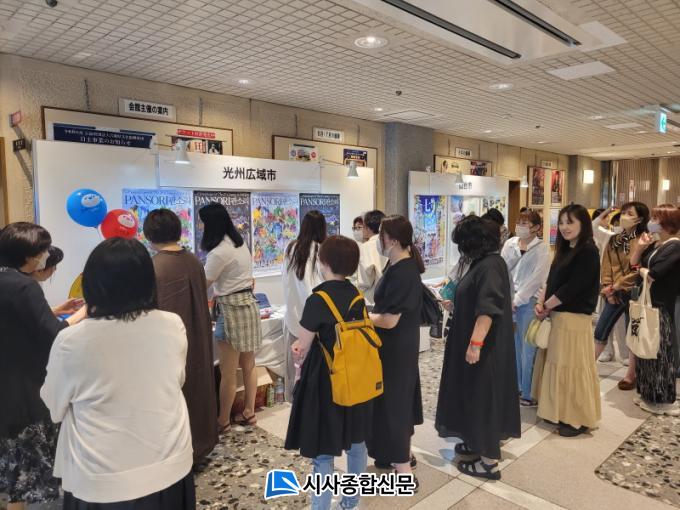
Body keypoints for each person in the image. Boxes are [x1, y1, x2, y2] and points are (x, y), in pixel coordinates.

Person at [40, 237, 194, 509]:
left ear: (92, 284)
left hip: (102, 477)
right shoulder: (172, 324)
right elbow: (176, 381)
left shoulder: (72, 341)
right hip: (170, 461)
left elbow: (54, 407)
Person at [0, 223, 85, 510]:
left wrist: (55, 310)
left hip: (6, 383)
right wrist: (84, 313)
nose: (46, 256)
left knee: (11, 466)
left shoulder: (6, 279)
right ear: (28, 256)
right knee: (25, 470)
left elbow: (14, 319)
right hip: (24, 387)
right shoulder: (25, 286)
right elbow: (54, 334)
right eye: (43, 250)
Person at [284, 235, 373, 510]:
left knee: (323, 450)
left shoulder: (318, 299)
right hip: (356, 378)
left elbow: (302, 345)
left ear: (323, 263)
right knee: (357, 444)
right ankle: (351, 502)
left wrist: (296, 350)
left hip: (325, 382)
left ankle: (320, 506)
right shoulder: (357, 296)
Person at [436, 216, 521, 480]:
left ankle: (488, 463)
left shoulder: (490, 266)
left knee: (483, 396)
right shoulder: (484, 263)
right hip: (477, 342)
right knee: (473, 393)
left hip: (484, 347)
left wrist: (475, 344)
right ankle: (475, 441)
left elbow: (488, 309)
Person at [143, 209, 218, 463]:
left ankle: (180, 451)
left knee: (175, 394)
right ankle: (202, 443)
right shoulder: (194, 261)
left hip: (167, 344)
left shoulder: (155, 266)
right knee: (199, 388)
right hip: (197, 338)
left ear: (149, 235)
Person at [533, 204, 601, 437]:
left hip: (574, 320)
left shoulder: (588, 251)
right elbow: (552, 282)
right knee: (558, 364)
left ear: (584, 224)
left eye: (570, 222)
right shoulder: (564, 249)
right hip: (558, 317)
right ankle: (559, 411)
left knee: (572, 367)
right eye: (561, 222)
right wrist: (541, 303)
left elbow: (572, 288)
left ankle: (576, 419)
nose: (564, 227)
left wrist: (546, 306)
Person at [367, 215, 423, 480]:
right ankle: (397, 454)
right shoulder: (398, 265)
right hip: (394, 347)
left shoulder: (403, 272)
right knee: (395, 402)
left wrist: (363, 318)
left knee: (395, 405)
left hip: (396, 349)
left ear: (394, 240)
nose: (379, 239)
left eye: (382, 234)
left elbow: (390, 320)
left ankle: (403, 470)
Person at [200, 202, 262, 432]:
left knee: (228, 372)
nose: (201, 227)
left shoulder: (219, 252)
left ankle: (223, 420)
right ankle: (249, 412)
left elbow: (203, 283)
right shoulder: (239, 243)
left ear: (210, 225)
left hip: (230, 309)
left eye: (203, 223)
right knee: (249, 364)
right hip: (249, 305)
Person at [630, 204, 680, 415]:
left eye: (656, 218)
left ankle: (662, 400)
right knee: (647, 350)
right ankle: (648, 394)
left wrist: (641, 270)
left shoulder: (674, 246)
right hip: (648, 304)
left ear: (668, 222)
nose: (652, 222)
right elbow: (633, 264)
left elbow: (653, 275)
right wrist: (640, 249)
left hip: (660, 306)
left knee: (660, 353)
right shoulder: (657, 244)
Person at [500, 210, 550, 407]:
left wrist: (518, 300)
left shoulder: (542, 248)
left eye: (525, 223)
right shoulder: (510, 244)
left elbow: (537, 278)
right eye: (519, 222)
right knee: (513, 346)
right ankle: (515, 386)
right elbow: (502, 270)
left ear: (536, 227)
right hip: (509, 299)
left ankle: (528, 392)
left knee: (527, 348)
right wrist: (507, 298)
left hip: (528, 301)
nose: (520, 226)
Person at [594, 202, 649, 381]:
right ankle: (587, 367)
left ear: (639, 219)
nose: (624, 216)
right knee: (601, 329)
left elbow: (638, 269)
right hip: (613, 293)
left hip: (634, 292)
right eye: (624, 212)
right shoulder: (614, 239)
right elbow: (606, 265)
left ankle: (631, 374)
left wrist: (616, 286)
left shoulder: (645, 239)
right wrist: (607, 288)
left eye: (630, 213)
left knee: (632, 332)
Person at [282, 210, 326, 402]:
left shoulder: (290, 248)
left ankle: (295, 407)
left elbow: (286, 281)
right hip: (316, 324)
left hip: (293, 320)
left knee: (295, 371)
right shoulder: (321, 250)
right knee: (315, 372)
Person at [357, 209, 386, 305]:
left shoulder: (366, 247)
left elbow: (365, 281)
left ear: (368, 228)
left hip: (372, 299)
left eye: (362, 226)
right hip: (389, 295)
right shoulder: (389, 243)